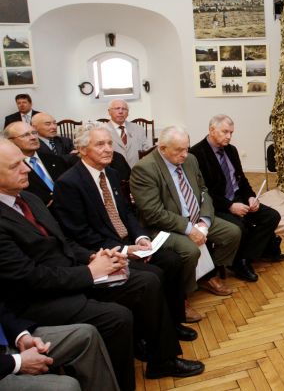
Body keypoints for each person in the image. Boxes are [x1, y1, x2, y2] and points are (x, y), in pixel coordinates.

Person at [0, 138, 205, 390]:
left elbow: (65, 242)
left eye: (23, 162)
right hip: (39, 298)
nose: (27, 169)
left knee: (147, 281)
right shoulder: (57, 188)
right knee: (118, 316)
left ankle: (162, 360)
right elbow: (29, 277)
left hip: (73, 272)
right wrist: (89, 272)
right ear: (83, 150)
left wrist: (94, 258)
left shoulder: (29, 199)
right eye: (15, 166)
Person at [53, 123, 200, 332]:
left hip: (128, 241)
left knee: (172, 260)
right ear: (82, 150)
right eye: (100, 144)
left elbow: (127, 213)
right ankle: (154, 331)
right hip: (104, 251)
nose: (108, 149)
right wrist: (125, 250)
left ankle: (175, 321)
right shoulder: (68, 183)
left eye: (109, 143)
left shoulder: (111, 174)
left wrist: (140, 238)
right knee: (153, 275)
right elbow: (80, 233)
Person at [129, 126, 241, 308]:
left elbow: (203, 190)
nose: (184, 154)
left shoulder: (190, 160)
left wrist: (204, 221)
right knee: (190, 250)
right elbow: (153, 213)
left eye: (187, 148)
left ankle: (207, 274)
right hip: (165, 225)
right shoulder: (145, 169)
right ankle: (182, 296)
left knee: (232, 233)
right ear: (162, 148)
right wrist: (189, 229)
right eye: (179, 150)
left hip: (196, 216)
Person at [190, 114, 284, 282]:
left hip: (239, 199)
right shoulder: (196, 154)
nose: (229, 136)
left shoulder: (231, 150)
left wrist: (251, 197)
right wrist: (230, 206)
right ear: (212, 130)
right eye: (225, 132)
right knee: (240, 227)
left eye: (231, 132)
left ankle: (244, 257)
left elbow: (241, 180)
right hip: (218, 205)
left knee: (272, 216)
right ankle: (240, 262)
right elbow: (204, 192)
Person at [1, 303, 118, 391]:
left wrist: (21, 337)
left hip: (6, 344)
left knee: (86, 335)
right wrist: (17, 362)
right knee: (67, 387)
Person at [3, 121, 68, 206]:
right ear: (10, 141)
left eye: (34, 133)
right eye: (25, 135)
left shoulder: (54, 159)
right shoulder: (11, 168)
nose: (33, 137)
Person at [104, 99, 152, 168]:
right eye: (117, 108)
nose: (121, 111)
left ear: (128, 113)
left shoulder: (138, 129)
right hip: (114, 172)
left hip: (137, 171)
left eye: (124, 109)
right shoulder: (102, 130)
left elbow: (147, 150)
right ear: (109, 112)